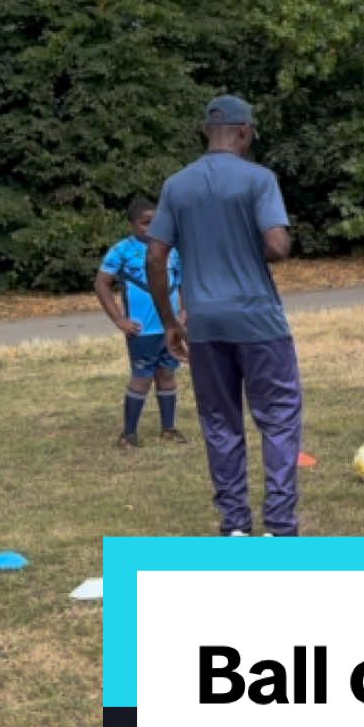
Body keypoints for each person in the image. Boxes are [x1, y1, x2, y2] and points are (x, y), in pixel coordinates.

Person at [146, 95, 302, 537]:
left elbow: (156, 257)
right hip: (258, 320)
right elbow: (276, 246)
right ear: (244, 132)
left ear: (206, 131)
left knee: (220, 422)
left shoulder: (176, 185)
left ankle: (235, 525)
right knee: (278, 418)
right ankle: (279, 525)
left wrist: (171, 322)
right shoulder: (259, 179)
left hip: (205, 323)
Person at [95, 196, 187, 449]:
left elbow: (184, 281)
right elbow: (101, 283)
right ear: (133, 224)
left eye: (156, 223)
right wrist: (120, 320)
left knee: (167, 375)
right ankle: (129, 434)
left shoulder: (173, 249)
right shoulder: (122, 250)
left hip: (170, 328)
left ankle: (168, 428)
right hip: (142, 331)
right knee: (142, 379)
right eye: (145, 223)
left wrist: (184, 314)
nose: (151, 228)